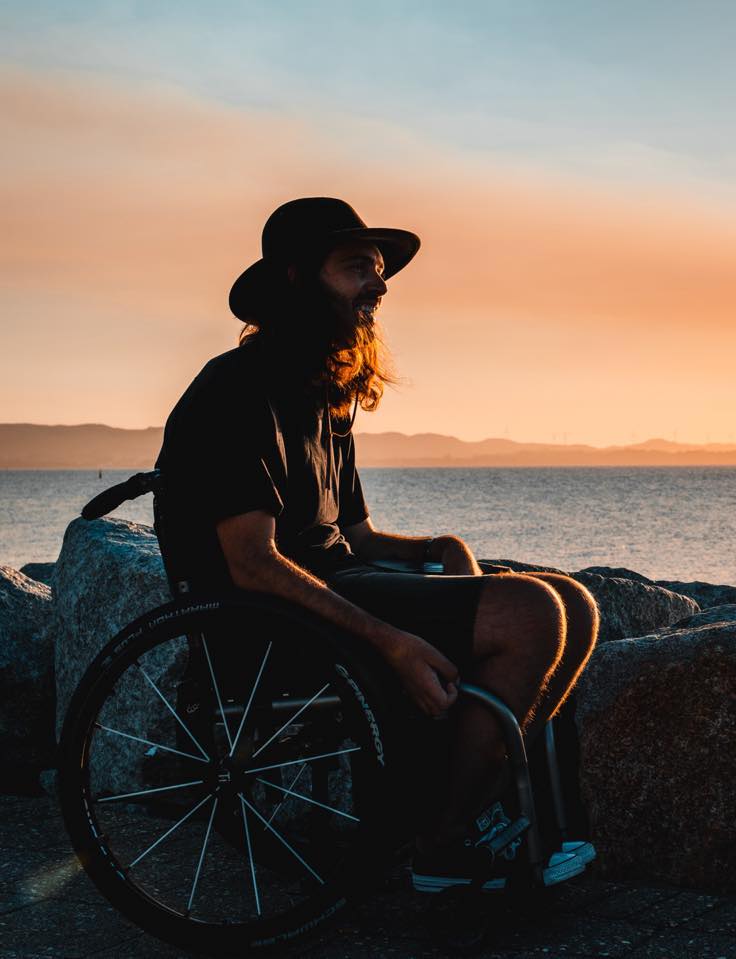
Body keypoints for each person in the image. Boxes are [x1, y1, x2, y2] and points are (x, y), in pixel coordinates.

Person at [154, 197, 598, 892]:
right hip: (263, 625)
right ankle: (443, 843)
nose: (380, 284)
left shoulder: (325, 392)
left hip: (332, 590)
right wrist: (391, 639)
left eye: (380, 270)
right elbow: (250, 560)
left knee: (571, 598)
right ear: (298, 278)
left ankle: (490, 815)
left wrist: (440, 545)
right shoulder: (235, 389)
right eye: (358, 266)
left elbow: (355, 535)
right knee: (531, 612)